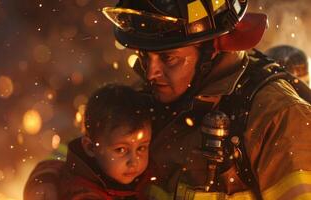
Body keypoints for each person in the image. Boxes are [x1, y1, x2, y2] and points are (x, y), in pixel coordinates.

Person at [25, 0, 311, 199]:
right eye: (143, 55)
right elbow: (94, 142)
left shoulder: (277, 118)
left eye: (168, 57)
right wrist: (48, 174)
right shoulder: (153, 94)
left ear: (213, 47)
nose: (151, 73)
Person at [25, 84, 157, 199]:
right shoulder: (83, 194)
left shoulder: (138, 178)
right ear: (90, 147)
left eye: (141, 148)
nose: (134, 162)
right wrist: (45, 176)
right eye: (121, 150)